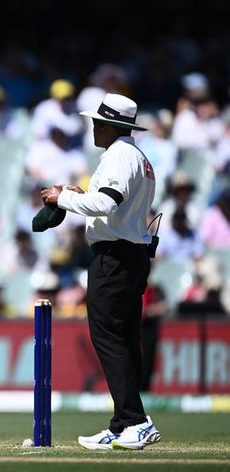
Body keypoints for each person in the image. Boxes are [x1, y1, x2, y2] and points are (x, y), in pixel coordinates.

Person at [41, 93, 161, 450]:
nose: (94, 127)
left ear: (110, 125)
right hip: (132, 254)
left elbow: (107, 203)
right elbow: (113, 205)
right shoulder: (137, 156)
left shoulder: (119, 155)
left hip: (114, 258)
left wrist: (62, 198)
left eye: (98, 122)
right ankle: (124, 423)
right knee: (123, 338)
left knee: (108, 337)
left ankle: (135, 421)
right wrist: (82, 194)